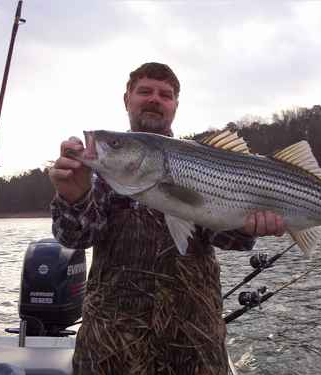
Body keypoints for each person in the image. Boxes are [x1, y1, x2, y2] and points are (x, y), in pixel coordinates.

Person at [49, 62, 285, 375]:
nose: (155, 99)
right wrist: (74, 198)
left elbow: (227, 238)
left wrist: (248, 225)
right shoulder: (100, 169)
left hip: (193, 342)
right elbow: (75, 238)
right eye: (144, 91)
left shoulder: (203, 160)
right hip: (109, 345)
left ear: (175, 106)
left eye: (165, 94)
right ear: (127, 99)